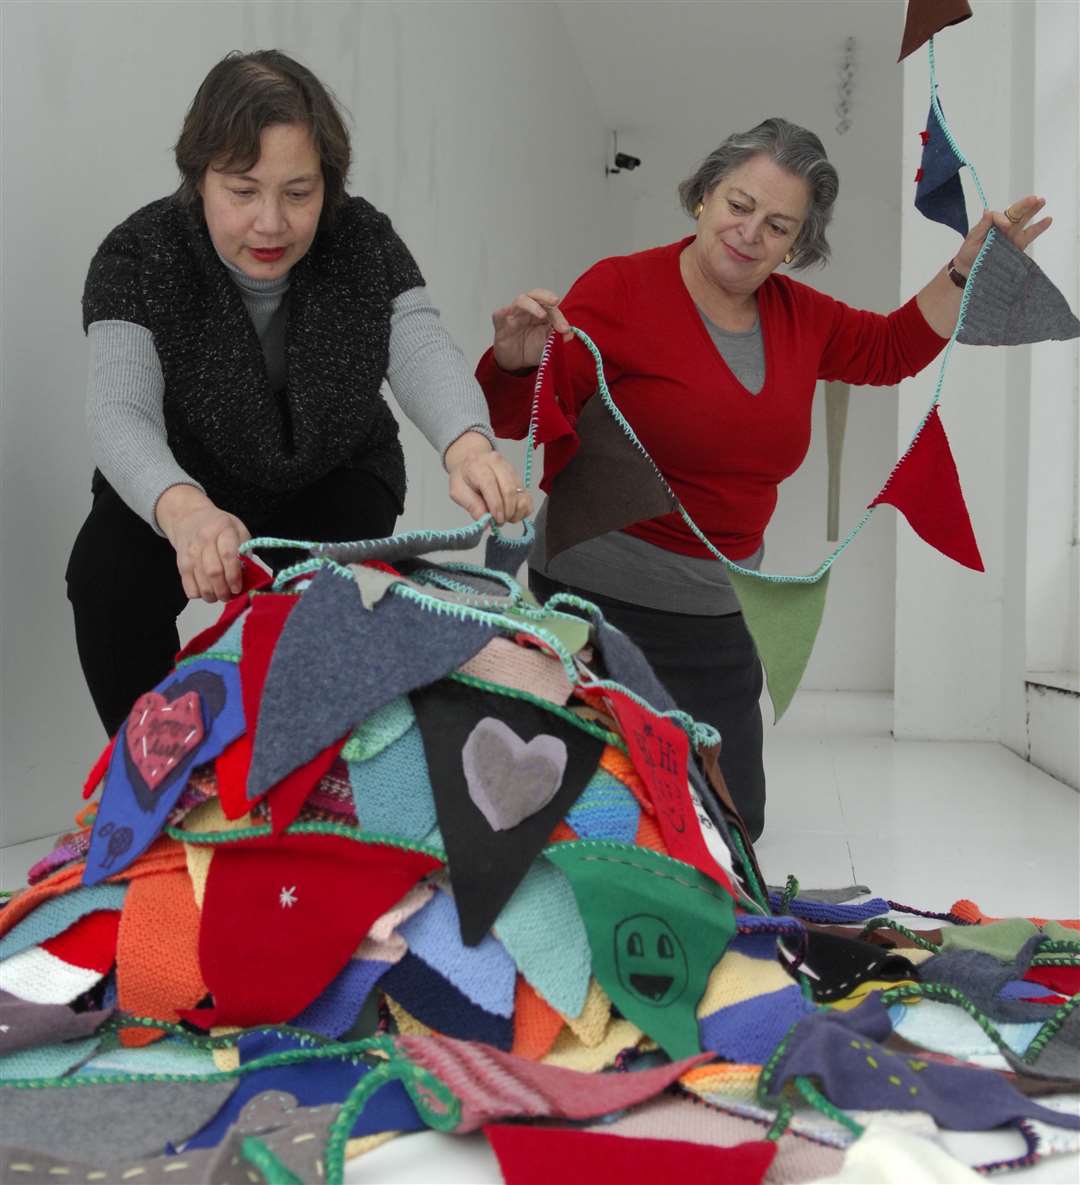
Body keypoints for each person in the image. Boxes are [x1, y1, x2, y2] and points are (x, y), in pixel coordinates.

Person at [476, 117, 1050, 840]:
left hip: (721, 614)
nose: (750, 233)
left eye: (778, 226)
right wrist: (516, 360)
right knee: (599, 820)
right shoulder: (620, 288)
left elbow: (893, 348)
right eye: (739, 205)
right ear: (704, 196)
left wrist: (967, 267)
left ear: (797, 244)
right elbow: (530, 411)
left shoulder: (800, 317)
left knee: (730, 824)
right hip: (595, 605)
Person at [66, 50, 531, 738]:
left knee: (313, 618)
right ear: (198, 180)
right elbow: (119, 411)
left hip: (334, 475)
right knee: (105, 577)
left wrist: (467, 443)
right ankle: (157, 779)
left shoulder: (364, 239)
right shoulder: (138, 255)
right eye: (243, 190)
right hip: (180, 481)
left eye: (298, 191)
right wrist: (186, 511)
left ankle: (299, 777)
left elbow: (420, 343)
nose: (271, 223)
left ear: (328, 184)